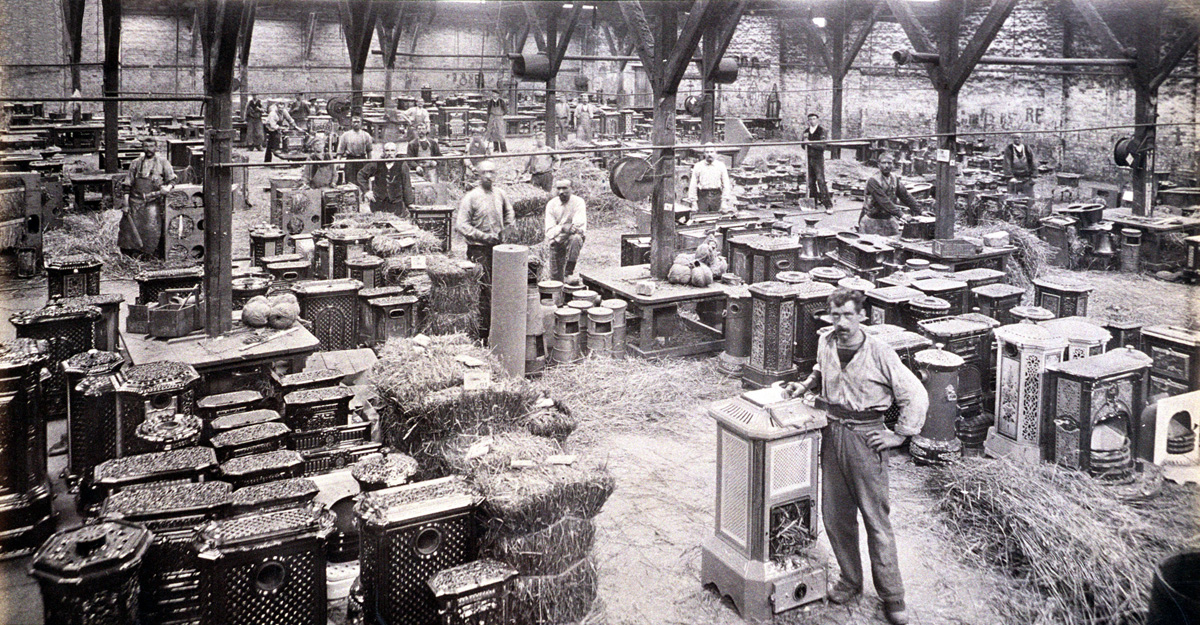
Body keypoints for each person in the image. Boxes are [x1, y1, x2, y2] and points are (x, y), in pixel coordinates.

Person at [785, 288, 928, 625]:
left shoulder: (879, 351)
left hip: (867, 440)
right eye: (835, 315)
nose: (842, 322)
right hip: (832, 434)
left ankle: (893, 596)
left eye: (849, 315)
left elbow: (915, 394)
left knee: (876, 522)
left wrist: (899, 435)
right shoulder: (827, 342)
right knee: (835, 516)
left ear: (862, 316)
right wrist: (805, 387)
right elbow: (821, 371)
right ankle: (850, 581)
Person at [456, 160, 514, 340]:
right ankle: (483, 332)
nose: (488, 176)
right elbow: (461, 225)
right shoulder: (471, 197)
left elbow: (509, 212)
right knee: (484, 290)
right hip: (479, 250)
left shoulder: (500, 194)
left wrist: (508, 228)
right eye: (484, 173)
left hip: (499, 248)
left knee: (502, 286)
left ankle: (502, 329)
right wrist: (483, 236)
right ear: (478, 175)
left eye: (492, 172)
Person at [118, 138, 177, 258]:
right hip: (135, 201)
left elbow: (172, 180)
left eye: (151, 146)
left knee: (152, 228)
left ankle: (150, 254)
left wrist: (168, 187)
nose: (148, 149)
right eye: (145, 146)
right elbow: (127, 185)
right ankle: (131, 255)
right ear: (142, 148)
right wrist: (125, 204)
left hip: (153, 202)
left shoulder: (163, 162)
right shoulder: (135, 163)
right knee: (128, 229)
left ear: (156, 148)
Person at [859, 152, 922, 236]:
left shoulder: (894, 179)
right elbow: (883, 201)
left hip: (889, 219)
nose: (886, 166)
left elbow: (905, 196)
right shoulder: (873, 180)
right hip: (872, 220)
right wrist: (901, 215)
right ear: (878, 164)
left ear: (893, 165)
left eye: (889, 163)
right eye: (883, 163)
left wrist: (920, 211)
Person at [544, 178, 586, 282]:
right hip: (556, 240)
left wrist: (560, 230)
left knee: (576, 238)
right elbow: (549, 231)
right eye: (558, 188)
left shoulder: (578, 202)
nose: (561, 192)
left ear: (572, 189)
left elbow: (577, 226)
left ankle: (569, 272)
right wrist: (563, 228)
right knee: (555, 278)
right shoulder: (551, 204)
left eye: (565, 188)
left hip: (569, 238)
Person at [357, 142, 415, 217]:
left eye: (392, 150)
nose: (390, 153)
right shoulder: (377, 164)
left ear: (396, 152)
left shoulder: (402, 165)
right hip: (378, 204)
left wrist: (409, 203)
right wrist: (366, 191)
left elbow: (407, 184)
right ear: (383, 152)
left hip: (396, 204)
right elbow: (361, 175)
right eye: (387, 150)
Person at [687, 145, 734, 214]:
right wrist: (693, 202)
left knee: (716, 218)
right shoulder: (698, 166)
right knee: (701, 219)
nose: (709, 154)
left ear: (715, 153)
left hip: (716, 196)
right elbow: (693, 184)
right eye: (707, 152)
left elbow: (726, 184)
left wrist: (724, 201)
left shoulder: (721, 166)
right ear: (704, 154)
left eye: (711, 152)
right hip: (702, 196)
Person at [803, 112, 834, 213]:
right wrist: (804, 142)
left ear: (817, 120)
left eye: (814, 119)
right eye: (810, 119)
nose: (812, 121)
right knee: (811, 182)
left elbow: (823, 146)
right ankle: (813, 203)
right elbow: (803, 146)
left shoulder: (821, 131)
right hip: (809, 159)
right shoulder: (806, 132)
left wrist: (810, 143)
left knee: (820, 181)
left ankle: (828, 205)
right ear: (808, 121)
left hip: (818, 159)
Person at [337, 116, 374, 186]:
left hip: (362, 160)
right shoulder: (345, 135)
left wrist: (370, 163)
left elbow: (369, 151)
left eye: (358, 122)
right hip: (350, 160)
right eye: (354, 122)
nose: (356, 124)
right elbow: (340, 151)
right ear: (351, 123)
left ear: (361, 123)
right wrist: (338, 162)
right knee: (350, 182)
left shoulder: (366, 135)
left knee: (362, 181)